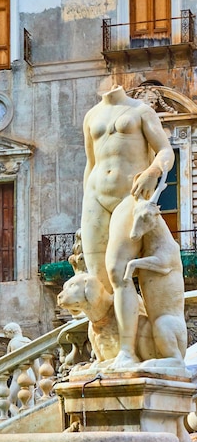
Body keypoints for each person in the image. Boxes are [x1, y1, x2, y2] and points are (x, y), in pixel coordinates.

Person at [81, 84, 175, 370]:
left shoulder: (141, 110)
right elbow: (90, 163)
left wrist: (153, 171)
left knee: (118, 271)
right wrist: (84, 202)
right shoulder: (91, 116)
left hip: (129, 196)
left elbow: (166, 150)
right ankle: (105, 354)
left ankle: (127, 352)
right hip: (95, 197)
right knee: (98, 280)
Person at [3, 322, 39, 414]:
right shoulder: (28, 341)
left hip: (18, 375)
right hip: (30, 374)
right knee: (29, 404)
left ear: (11, 332)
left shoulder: (13, 343)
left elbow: (9, 362)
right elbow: (36, 362)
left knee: (9, 402)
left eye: (7, 334)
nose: (7, 336)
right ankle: (28, 420)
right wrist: (38, 378)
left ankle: (18, 417)